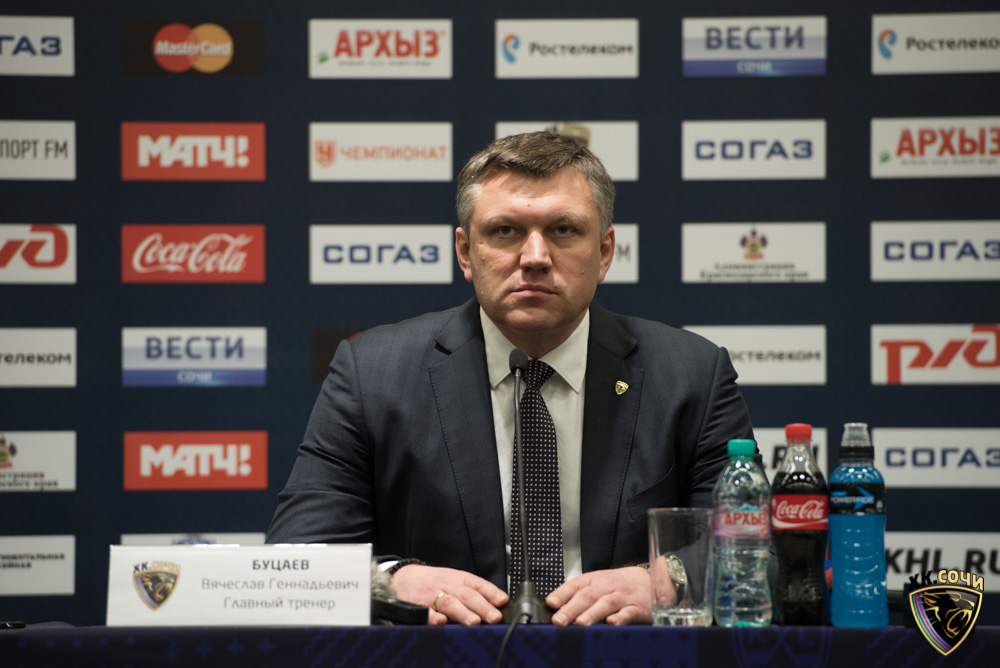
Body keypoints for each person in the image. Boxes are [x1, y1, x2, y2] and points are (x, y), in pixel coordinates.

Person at [266, 131, 755, 626]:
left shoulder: (691, 375)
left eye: (563, 229)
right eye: (505, 231)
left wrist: (670, 579)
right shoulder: (372, 373)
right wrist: (390, 582)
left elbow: (760, 555)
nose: (535, 256)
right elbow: (296, 557)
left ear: (605, 252)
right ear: (465, 252)